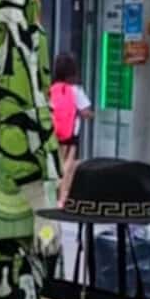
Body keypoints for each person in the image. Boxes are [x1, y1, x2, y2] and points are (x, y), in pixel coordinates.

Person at [49, 52, 92, 202]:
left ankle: (54, 190)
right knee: (68, 161)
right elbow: (86, 113)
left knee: (57, 160)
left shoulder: (51, 88)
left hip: (54, 130)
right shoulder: (76, 90)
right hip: (71, 132)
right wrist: (87, 113)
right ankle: (63, 195)